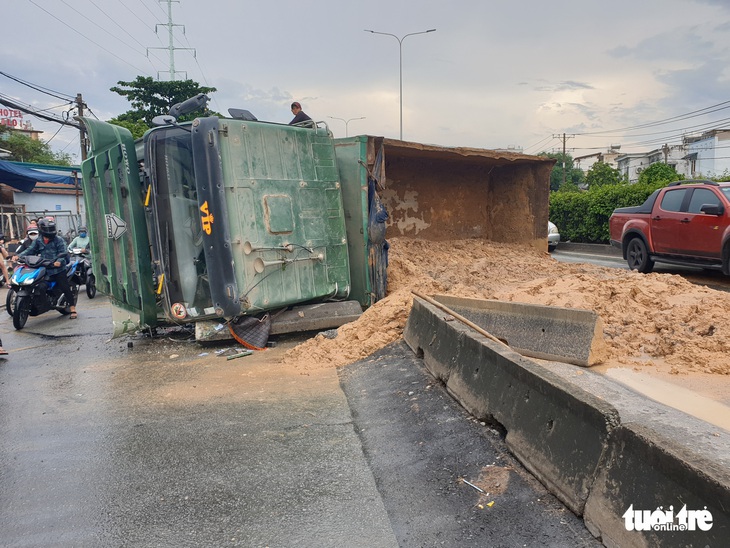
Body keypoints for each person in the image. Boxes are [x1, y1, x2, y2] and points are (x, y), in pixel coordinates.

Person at [13, 218, 77, 319]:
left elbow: (63, 252)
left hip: (57, 269)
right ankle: (40, 304)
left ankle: (72, 307)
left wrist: (58, 262)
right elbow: (30, 250)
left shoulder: (58, 240)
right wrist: (19, 256)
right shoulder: (39, 240)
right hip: (44, 268)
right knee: (39, 286)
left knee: (64, 286)